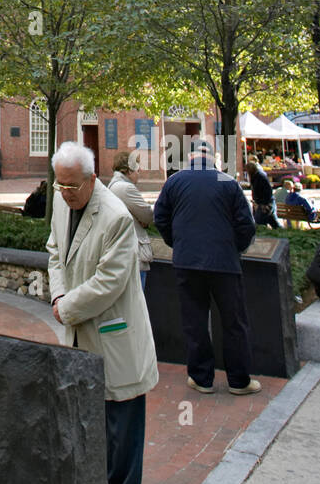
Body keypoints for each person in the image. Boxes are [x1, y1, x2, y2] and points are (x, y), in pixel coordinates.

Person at [46, 140, 158, 484]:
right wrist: (58, 297)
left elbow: (109, 283)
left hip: (115, 337)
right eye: (60, 186)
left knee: (122, 432)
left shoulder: (116, 217)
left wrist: (67, 306)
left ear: (92, 179)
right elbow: (55, 251)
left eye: (73, 186)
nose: (65, 193)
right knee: (89, 423)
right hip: (77, 330)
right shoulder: (62, 199)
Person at [154, 142, 260, 396]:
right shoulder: (228, 183)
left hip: (187, 262)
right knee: (234, 322)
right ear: (214, 158)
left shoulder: (174, 181)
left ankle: (202, 378)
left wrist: (177, 243)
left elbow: (160, 218)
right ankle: (239, 380)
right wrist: (235, 248)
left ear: (190, 157)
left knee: (195, 321)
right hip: (224, 263)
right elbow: (246, 224)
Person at [108, 152, 154, 289]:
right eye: (137, 170)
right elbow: (148, 216)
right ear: (128, 170)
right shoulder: (125, 188)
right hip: (133, 256)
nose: (140, 173)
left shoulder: (113, 185)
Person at [247, 159, 279, 228]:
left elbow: (268, 191)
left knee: (259, 223)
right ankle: (281, 232)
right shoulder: (255, 177)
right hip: (262, 203)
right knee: (272, 222)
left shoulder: (260, 177)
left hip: (265, 203)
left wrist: (265, 204)